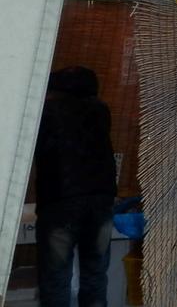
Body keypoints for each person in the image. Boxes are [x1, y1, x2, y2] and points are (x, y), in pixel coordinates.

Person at [34, 66, 117, 306]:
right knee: (95, 275)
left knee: (56, 279)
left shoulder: (47, 112)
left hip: (60, 201)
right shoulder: (101, 110)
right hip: (100, 201)